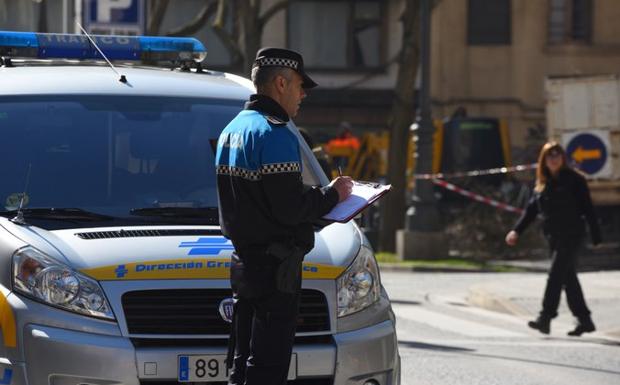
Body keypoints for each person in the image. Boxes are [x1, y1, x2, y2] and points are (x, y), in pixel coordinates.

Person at [215, 47, 353, 385]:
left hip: (244, 264)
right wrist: (334, 195)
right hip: (276, 271)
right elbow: (290, 208)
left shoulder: (232, 128)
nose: (302, 94)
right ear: (280, 83)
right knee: (267, 366)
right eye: (299, 86)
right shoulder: (274, 132)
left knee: (241, 363)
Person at [505, 142, 601, 337]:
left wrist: (596, 235)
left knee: (555, 275)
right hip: (553, 236)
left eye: (557, 155)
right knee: (568, 278)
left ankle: (545, 317)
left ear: (563, 159)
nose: (554, 158)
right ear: (544, 160)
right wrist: (516, 231)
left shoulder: (575, 180)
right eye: (550, 156)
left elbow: (588, 208)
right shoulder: (542, 183)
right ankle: (585, 320)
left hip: (572, 234)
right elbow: (531, 211)